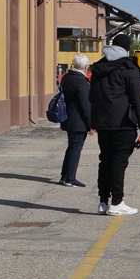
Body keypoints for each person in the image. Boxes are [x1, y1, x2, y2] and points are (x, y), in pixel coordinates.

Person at [90, 32, 140, 216]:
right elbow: (138, 100)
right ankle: (117, 202)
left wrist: (94, 121)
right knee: (118, 162)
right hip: (123, 123)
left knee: (105, 160)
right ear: (127, 48)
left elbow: (92, 96)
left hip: (103, 123)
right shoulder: (129, 68)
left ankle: (103, 202)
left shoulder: (99, 68)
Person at [57, 53, 93, 188]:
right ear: (85, 67)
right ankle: (70, 177)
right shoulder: (81, 82)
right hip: (79, 121)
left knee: (71, 147)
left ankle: (64, 175)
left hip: (68, 118)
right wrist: (91, 124)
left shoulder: (67, 78)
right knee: (75, 148)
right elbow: (85, 105)